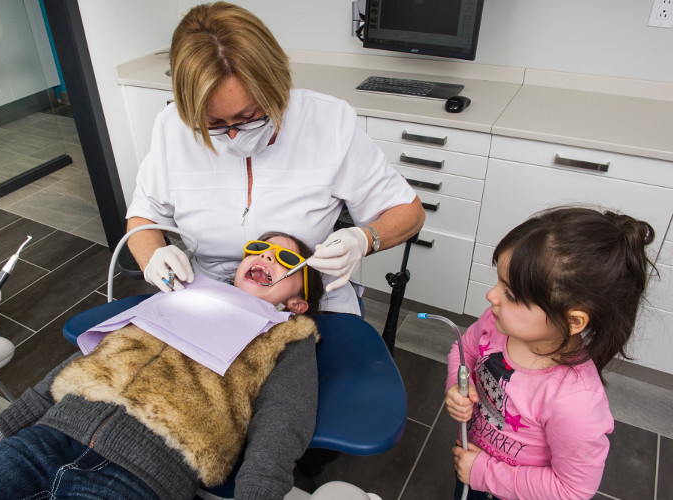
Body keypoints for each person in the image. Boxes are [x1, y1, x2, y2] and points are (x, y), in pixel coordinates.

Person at [0, 232, 325, 500]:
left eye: (284, 260)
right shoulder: (181, 293)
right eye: (258, 249)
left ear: (298, 302)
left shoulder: (287, 335)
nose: (267, 257)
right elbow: (84, 363)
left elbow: (281, 426)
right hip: (44, 439)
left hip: (142, 474)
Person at [125, 2, 425, 316]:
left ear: (277, 89)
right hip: (207, 294)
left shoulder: (328, 122)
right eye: (213, 124)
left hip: (307, 300)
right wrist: (152, 258)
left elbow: (410, 212)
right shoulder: (173, 127)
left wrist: (365, 239)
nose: (233, 136)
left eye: (248, 117)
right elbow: (143, 216)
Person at [445, 207, 656, 500]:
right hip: (471, 461)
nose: (491, 295)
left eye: (511, 294)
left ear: (572, 320)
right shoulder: (495, 323)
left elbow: (573, 490)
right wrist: (457, 386)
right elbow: (464, 349)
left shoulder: (576, 402)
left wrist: (483, 473)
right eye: (499, 282)